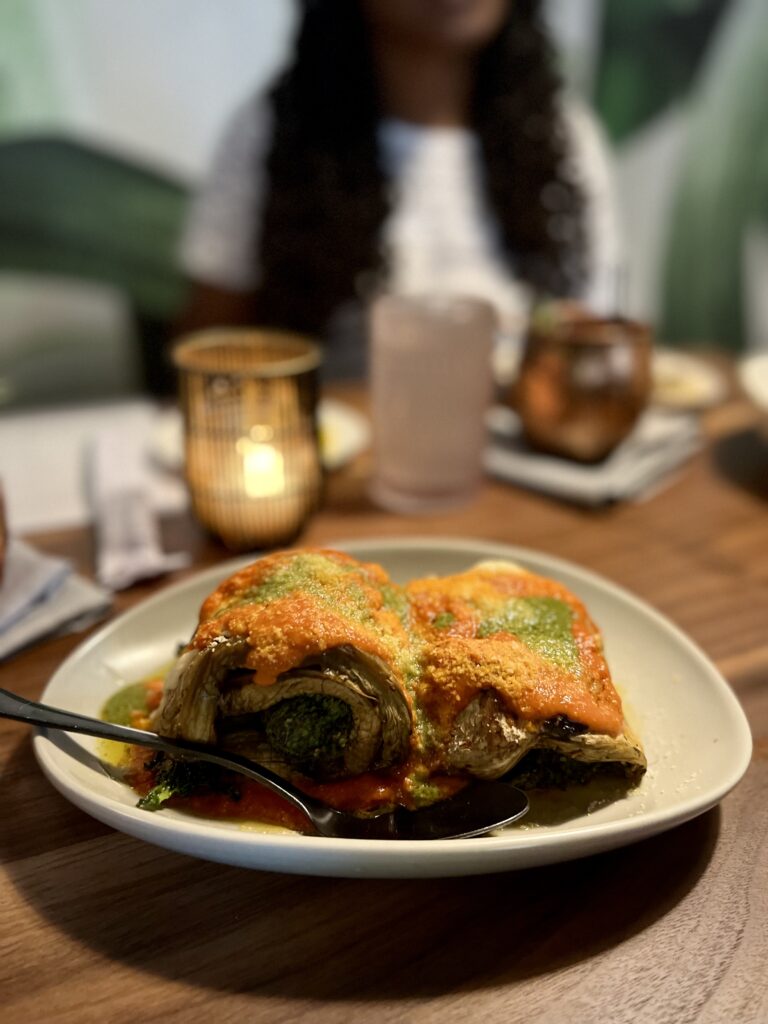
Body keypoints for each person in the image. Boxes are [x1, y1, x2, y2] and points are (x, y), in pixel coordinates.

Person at [178, 0, 621, 379]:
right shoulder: (274, 130)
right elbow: (213, 348)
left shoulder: (567, 140)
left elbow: (591, 339)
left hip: (518, 465)